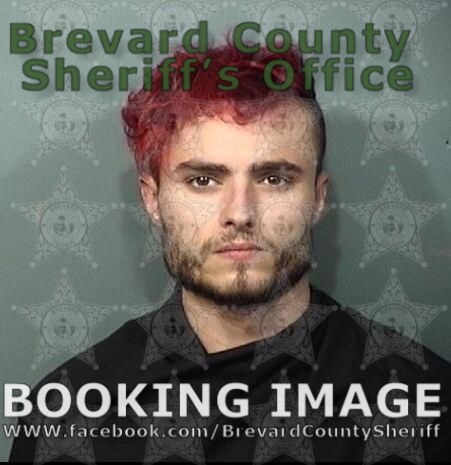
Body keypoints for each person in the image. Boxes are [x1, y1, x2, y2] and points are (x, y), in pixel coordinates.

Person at [8, 42, 451, 464]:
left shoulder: (424, 404)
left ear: (318, 198)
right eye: (202, 180)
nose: (240, 213)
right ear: (152, 199)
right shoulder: (66, 416)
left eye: (274, 179)